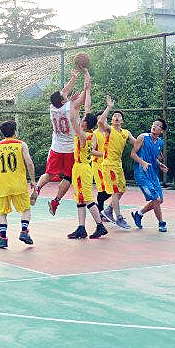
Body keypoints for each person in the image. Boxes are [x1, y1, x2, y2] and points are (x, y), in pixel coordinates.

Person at [34, 69, 90, 216]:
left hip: (56, 147)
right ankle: (56, 201)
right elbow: (83, 99)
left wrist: (73, 78)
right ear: (63, 100)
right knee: (68, 177)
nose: (65, 92)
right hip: (70, 149)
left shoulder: (53, 107)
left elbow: (64, 92)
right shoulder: (72, 107)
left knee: (48, 173)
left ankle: (37, 189)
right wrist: (86, 86)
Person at [67, 87, 108, 240]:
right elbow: (88, 108)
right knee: (80, 199)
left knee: (88, 198)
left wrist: (71, 104)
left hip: (82, 168)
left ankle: (100, 226)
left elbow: (72, 119)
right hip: (80, 167)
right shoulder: (90, 133)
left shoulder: (83, 135)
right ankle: (81, 228)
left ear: (85, 124)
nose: (81, 120)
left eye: (83, 119)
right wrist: (87, 89)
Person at [0, 120, 37, 249]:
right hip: (19, 184)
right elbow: (29, 163)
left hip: (3, 185)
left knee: (2, 213)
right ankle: (24, 231)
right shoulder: (21, 144)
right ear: (15, 131)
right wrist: (33, 180)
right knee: (26, 209)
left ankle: (3, 238)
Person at [96, 98, 137, 229]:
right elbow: (100, 122)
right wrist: (109, 107)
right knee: (115, 191)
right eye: (114, 116)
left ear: (122, 121)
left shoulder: (126, 133)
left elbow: (137, 143)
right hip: (109, 165)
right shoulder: (109, 130)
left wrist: (155, 151)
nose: (116, 117)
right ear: (112, 121)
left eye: (119, 116)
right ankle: (118, 217)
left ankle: (108, 210)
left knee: (122, 189)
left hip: (118, 165)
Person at [129, 118, 169, 232]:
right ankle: (161, 223)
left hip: (153, 174)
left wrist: (160, 164)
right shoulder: (142, 137)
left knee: (160, 200)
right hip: (141, 174)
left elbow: (154, 158)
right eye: (153, 124)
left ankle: (139, 214)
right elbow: (133, 154)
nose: (154, 126)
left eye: (158, 125)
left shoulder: (160, 143)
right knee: (156, 199)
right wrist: (143, 163)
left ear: (161, 130)